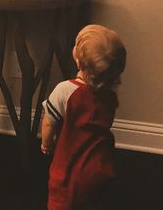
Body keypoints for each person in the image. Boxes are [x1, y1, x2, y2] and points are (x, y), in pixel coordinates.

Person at [41, 25, 127, 210]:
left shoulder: (66, 91)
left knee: (63, 201)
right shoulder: (110, 92)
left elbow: (49, 121)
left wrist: (46, 144)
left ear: (79, 63)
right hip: (100, 166)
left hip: (69, 172)